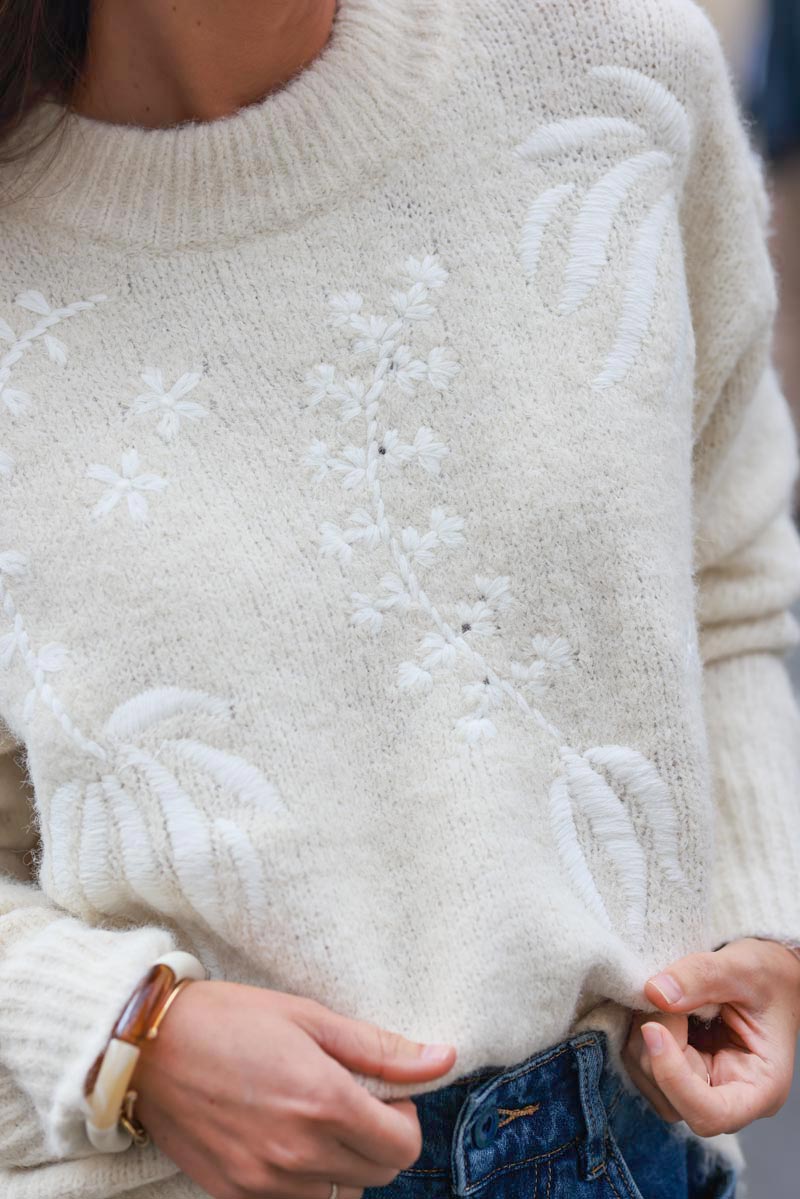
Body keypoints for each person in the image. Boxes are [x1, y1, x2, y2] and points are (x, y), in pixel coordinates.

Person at [0, 2, 799, 1198]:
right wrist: (124, 1034)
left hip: (624, 1150)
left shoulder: (611, 75)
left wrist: (758, 924)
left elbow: (720, 579)